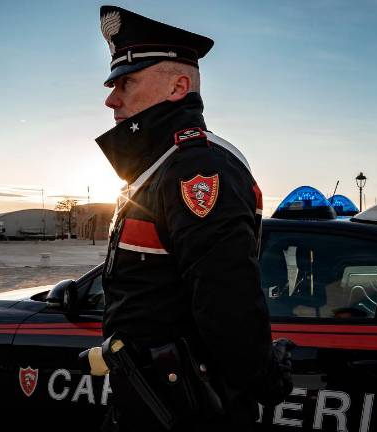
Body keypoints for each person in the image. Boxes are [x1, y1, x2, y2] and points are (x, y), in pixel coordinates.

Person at [93, 5, 294, 432]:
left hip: (189, 411)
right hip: (152, 400)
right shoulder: (160, 166)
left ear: (179, 86)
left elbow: (226, 296)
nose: (111, 98)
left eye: (126, 82)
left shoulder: (196, 169)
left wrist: (262, 379)